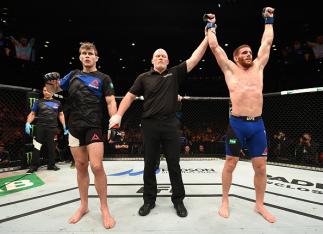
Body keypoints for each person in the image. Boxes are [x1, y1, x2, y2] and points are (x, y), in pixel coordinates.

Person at [109, 35, 208, 217]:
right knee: (149, 164)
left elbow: (195, 58)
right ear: (152, 60)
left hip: (170, 124)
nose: (161, 58)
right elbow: (130, 96)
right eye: (158, 56)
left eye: (164, 56)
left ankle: (178, 200)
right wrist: (118, 115)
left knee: (174, 164)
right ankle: (149, 201)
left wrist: (207, 36)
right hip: (150, 124)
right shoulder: (143, 77)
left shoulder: (175, 73)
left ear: (168, 60)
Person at [206, 7, 276, 223]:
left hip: (257, 125)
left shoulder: (259, 66)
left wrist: (269, 19)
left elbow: (266, 43)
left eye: (249, 52)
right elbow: (215, 47)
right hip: (237, 125)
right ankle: (225, 199)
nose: (249, 54)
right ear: (236, 58)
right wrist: (211, 25)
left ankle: (260, 204)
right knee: (230, 163)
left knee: (261, 166)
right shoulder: (230, 69)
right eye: (244, 52)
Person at [45, 42, 116, 229]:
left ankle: (104, 208)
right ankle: (84, 205)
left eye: (90, 53)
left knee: (97, 165)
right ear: (80, 56)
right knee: (80, 165)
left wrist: (114, 123)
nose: (87, 55)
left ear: (96, 57)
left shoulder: (103, 78)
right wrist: (49, 83)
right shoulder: (73, 74)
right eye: (84, 53)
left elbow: (110, 102)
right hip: (74, 126)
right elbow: (53, 91)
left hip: (93, 125)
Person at [25, 86, 67, 173]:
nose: (46, 92)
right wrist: (28, 123)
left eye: (48, 90)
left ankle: (51, 165)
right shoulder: (38, 102)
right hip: (40, 127)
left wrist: (64, 126)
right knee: (37, 146)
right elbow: (32, 113)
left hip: (52, 127)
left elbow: (61, 114)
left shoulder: (57, 102)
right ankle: (34, 166)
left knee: (52, 147)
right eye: (44, 90)